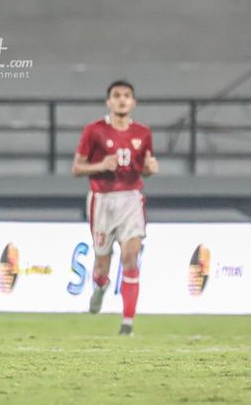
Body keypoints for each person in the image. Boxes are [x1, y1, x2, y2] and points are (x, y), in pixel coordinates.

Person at [72, 80, 159, 336]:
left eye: (127, 96)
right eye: (117, 96)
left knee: (131, 256)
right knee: (102, 266)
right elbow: (77, 168)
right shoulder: (94, 130)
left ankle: (127, 323)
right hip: (102, 201)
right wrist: (100, 166)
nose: (122, 100)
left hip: (131, 198)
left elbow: (145, 165)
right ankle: (99, 287)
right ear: (108, 101)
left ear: (134, 102)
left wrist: (150, 169)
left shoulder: (143, 133)